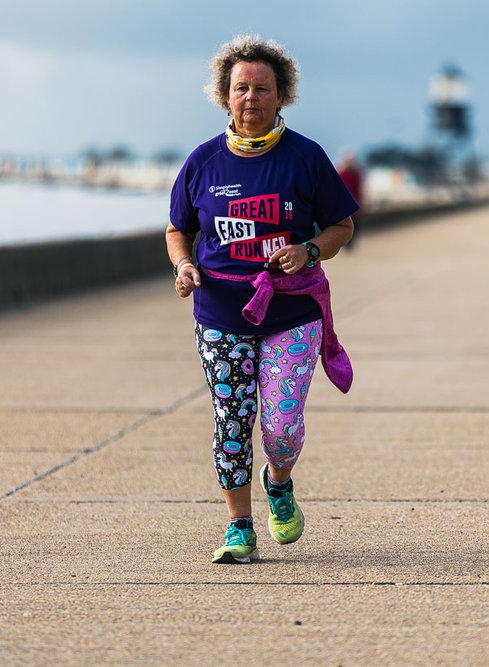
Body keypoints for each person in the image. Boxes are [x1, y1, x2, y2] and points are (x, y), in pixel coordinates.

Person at [166, 35, 358, 565]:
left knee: (280, 425)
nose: (251, 97)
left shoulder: (306, 158)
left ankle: (279, 481)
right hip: (221, 314)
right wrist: (184, 265)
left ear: (282, 95)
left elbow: (342, 226)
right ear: (225, 96)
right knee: (231, 419)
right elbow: (177, 229)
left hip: (291, 313)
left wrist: (310, 249)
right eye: (241, 88)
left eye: (262, 88)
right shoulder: (203, 162)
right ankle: (239, 527)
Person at [336, 151, 364, 248]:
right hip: (343, 204)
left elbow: (359, 189)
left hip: (354, 203)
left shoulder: (356, 174)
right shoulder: (341, 173)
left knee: (355, 225)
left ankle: (350, 243)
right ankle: (346, 244)